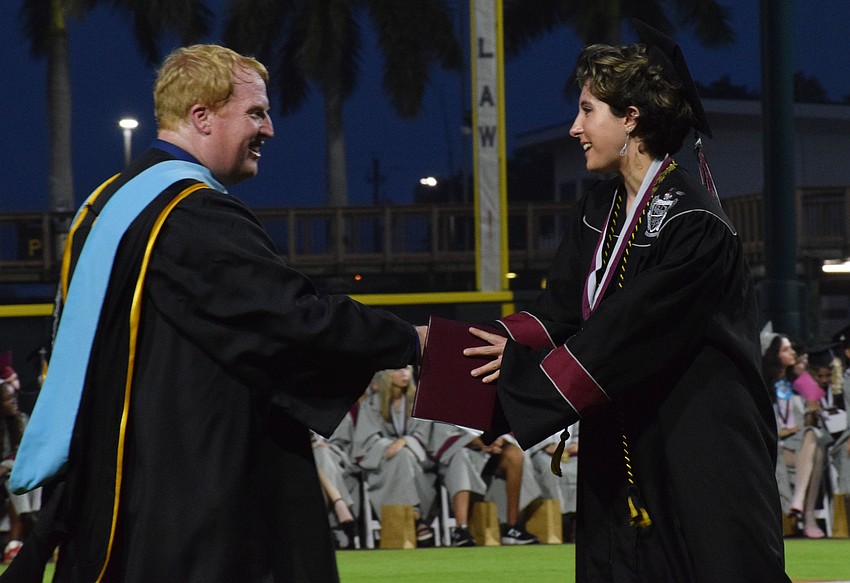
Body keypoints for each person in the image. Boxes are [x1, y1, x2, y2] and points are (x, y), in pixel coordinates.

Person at [3, 44, 425, 583]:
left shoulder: (107, 205)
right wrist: (412, 340)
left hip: (115, 483)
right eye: (256, 112)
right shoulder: (189, 211)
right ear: (201, 116)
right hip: (192, 496)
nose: (269, 129)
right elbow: (291, 320)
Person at [461, 20, 789, 582]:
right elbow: (561, 310)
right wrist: (493, 348)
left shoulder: (694, 224)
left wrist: (523, 387)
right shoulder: (597, 210)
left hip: (699, 446)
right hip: (621, 438)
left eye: (588, 110)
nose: (574, 127)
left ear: (631, 118)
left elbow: (626, 331)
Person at [352, 367, 436, 546]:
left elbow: (424, 436)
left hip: (416, 463)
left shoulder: (420, 400)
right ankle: (416, 517)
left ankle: (413, 515)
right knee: (400, 457)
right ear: (385, 375)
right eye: (398, 370)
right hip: (384, 464)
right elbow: (366, 440)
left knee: (404, 455)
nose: (404, 374)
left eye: (407, 369)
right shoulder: (372, 403)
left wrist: (404, 442)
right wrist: (388, 446)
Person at [426, 422, 539, 547]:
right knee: (461, 457)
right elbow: (442, 438)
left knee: (515, 454)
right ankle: (461, 528)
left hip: (493, 450)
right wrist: (475, 441)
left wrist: (498, 439)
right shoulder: (447, 403)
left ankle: (512, 527)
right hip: (462, 450)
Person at [762, 333, 829, 538]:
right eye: (786, 349)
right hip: (778, 446)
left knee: (814, 437)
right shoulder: (763, 384)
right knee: (814, 446)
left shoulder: (798, 381)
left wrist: (805, 381)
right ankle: (807, 516)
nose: (793, 353)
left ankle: (799, 503)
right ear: (774, 355)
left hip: (799, 445)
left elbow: (819, 400)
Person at [0, 382, 41, 563]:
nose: (13, 402)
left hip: (18, 471)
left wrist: (9, 465)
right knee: (14, 480)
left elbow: (30, 452)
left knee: (26, 479)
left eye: (14, 397)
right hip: (8, 474)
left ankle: (29, 517)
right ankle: (28, 520)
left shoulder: (22, 420)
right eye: (8, 399)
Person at [527, 423, 579, 543]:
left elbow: (578, 430)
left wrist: (575, 444)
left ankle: (574, 520)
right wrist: (547, 444)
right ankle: (560, 519)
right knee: (553, 472)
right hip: (540, 451)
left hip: (570, 452)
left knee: (578, 471)